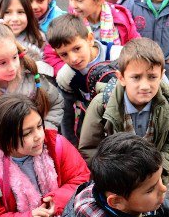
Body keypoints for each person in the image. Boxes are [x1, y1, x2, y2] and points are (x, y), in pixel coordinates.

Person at [79, 38, 169, 182]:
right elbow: (89, 148)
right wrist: (112, 176)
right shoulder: (102, 105)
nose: (144, 86)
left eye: (152, 77)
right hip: (119, 182)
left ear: (162, 76)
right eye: (136, 77)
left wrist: (163, 165)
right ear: (121, 77)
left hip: (154, 178)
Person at [44, 14, 124, 145]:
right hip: (94, 129)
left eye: (77, 48)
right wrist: (71, 143)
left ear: (90, 39)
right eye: (64, 54)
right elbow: (66, 112)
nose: (73, 58)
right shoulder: (66, 77)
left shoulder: (118, 56)